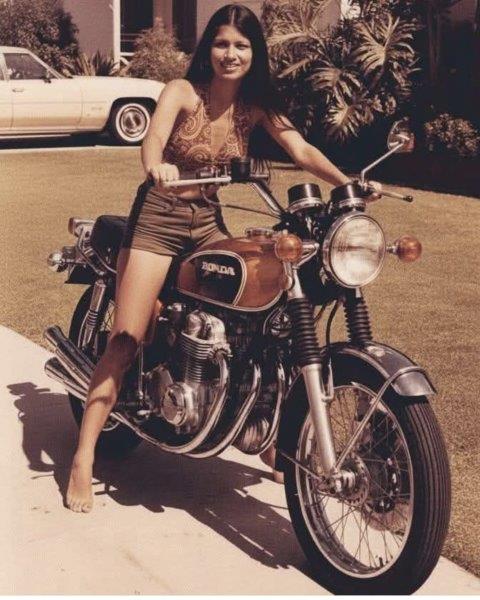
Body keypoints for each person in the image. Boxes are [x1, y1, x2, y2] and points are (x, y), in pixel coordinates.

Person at [65, 3, 380, 512]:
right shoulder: (181, 91)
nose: (230, 54)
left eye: (241, 46)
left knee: (259, 319)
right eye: (222, 44)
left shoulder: (255, 106)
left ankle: (269, 437)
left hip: (207, 221)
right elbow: (153, 140)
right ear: (207, 48)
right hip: (159, 219)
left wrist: (349, 184)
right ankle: (83, 457)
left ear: (254, 54)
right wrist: (158, 167)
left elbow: (300, 149)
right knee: (126, 338)